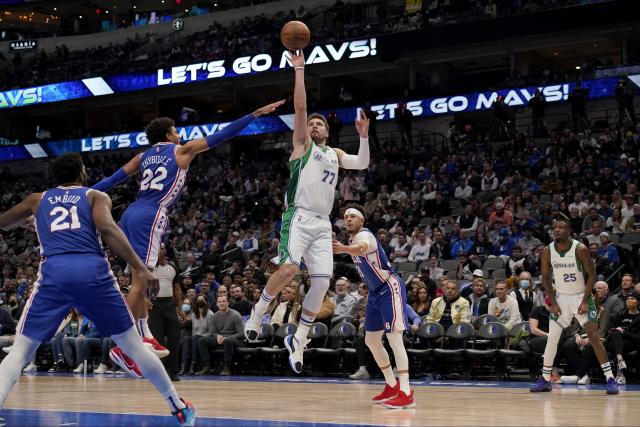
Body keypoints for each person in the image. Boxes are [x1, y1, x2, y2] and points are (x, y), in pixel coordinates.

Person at [0, 153, 196, 425]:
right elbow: (107, 228)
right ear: (81, 172)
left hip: (54, 272)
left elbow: (3, 222)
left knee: (21, 349)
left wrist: (30, 221)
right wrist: (140, 268)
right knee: (134, 346)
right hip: (92, 270)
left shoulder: (37, 199)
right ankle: (178, 406)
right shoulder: (95, 196)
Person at [92, 100, 284, 374]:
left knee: (144, 281)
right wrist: (253, 113)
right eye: (176, 130)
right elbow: (222, 136)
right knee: (138, 283)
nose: (179, 133)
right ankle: (124, 345)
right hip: (151, 214)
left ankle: (144, 332)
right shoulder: (181, 151)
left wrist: (79, 195)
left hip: (131, 213)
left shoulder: (143, 156)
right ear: (170, 134)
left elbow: (110, 181)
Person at [244, 49, 370, 374]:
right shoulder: (303, 147)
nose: (313, 125)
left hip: (322, 224)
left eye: (319, 124)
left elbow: (363, 163)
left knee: (321, 282)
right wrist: (299, 70)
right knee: (287, 271)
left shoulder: (335, 153)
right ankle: (259, 311)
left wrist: (365, 137)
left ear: (327, 131)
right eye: (311, 123)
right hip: (297, 217)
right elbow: (300, 107)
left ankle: (300, 338)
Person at [332, 204, 414, 409]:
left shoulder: (365, 236)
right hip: (375, 293)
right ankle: (392, 385)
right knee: (371, 340)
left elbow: (361, 249)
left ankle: (406, 392)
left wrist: (342, 248)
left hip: (389, 287)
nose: (348, 219)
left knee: (395, 338)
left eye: (352, 216)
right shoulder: (352, 239)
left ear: (362, 220)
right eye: (345, 216)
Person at [530, 214, 618, 395]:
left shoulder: (581, 249)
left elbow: (593, 275)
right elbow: (545, 277)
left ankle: (610, 378)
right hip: (561, 298)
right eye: (555, 228)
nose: (557, 230)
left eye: (561, 228)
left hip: (580, 296)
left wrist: (586, 300)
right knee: (552, 339)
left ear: (569, 231)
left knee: (593, 337)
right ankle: (545, 379)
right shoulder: (547, 250)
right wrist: (553, 302)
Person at [148, 246, 182, 381]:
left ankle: (173, 371)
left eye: (162, 248)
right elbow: (143, 285)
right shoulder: (149, 267)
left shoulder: (173, 267)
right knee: (157, 341)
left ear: (165, 252)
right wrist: (146, 299)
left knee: (174, 339)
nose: (159, 251)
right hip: (154, 305)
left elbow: (177, 289)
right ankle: (158, 373)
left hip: (169, 305)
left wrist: (180, 308)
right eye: (158, 248)